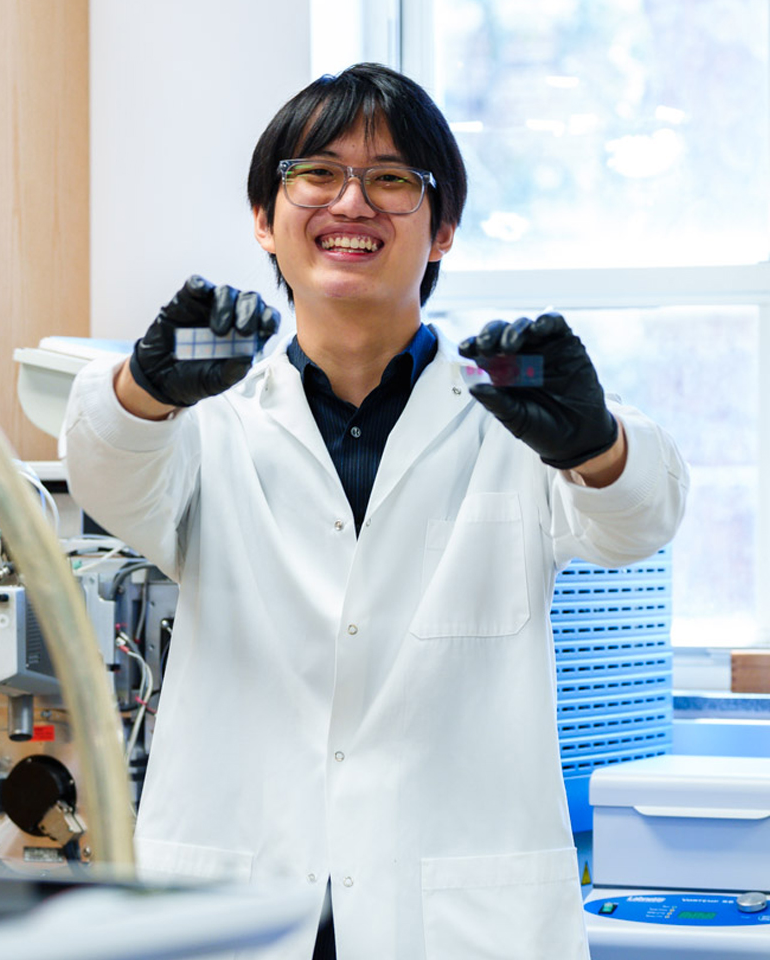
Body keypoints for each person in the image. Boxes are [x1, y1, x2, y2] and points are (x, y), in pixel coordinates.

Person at [62, 63, 687, 960]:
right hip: (240, 906)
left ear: (441, 233)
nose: (351, 203)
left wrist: (595, 443)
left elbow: (639, 524)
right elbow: (108, 475)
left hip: (453, 919)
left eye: (391, 179)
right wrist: (143, 388)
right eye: (316, 173)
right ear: (263, 222)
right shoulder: (211, 421)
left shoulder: (515, 411)